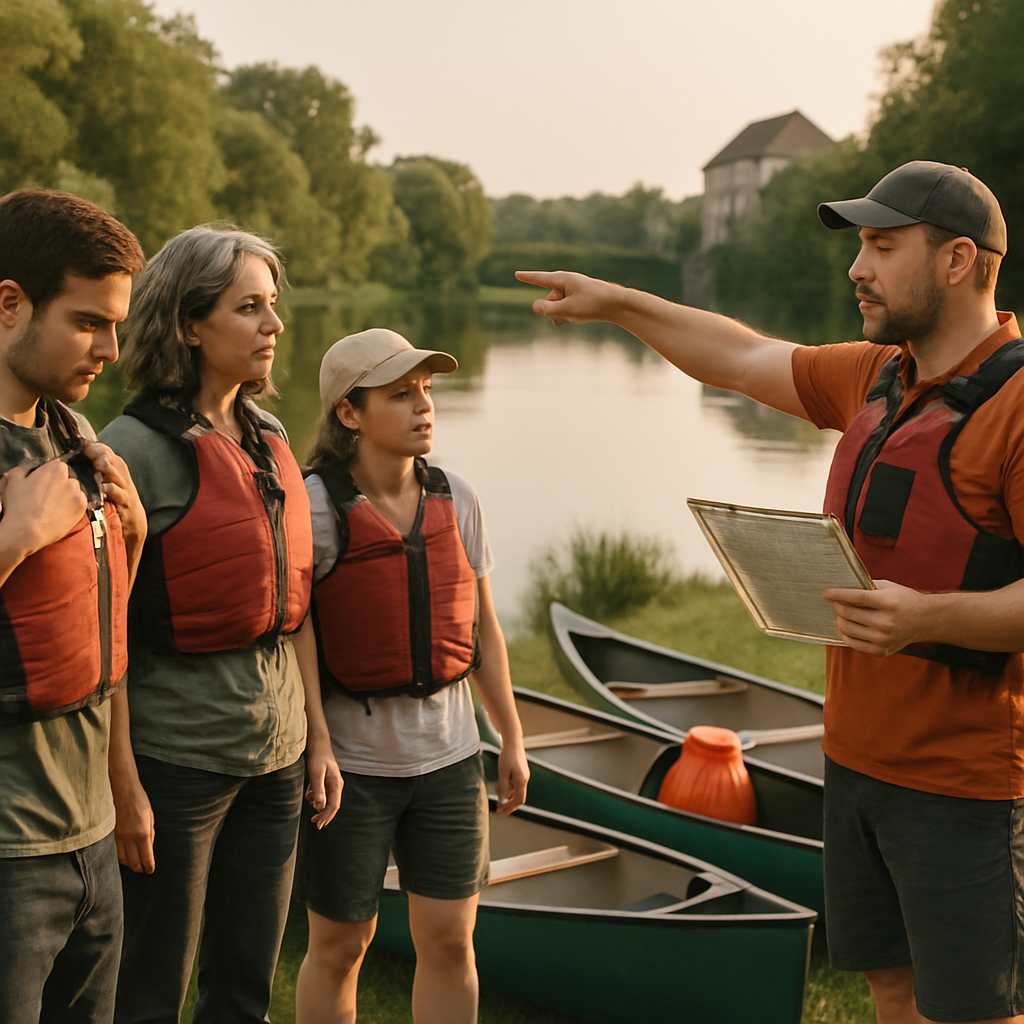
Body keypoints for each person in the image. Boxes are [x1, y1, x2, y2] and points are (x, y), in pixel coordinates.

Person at [518, 161, 1024, 1024]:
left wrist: (928, 618)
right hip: (854, 764)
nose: (857, 268)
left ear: (957, 260)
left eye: (882, 246)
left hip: (965, 784)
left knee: (975, 1012)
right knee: (891, 989)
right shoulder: (879, 375)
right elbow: (743, 358)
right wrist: (622, 304)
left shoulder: (1015, 406)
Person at [98, 225, 342, 1024]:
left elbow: (293, 605)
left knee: (244, 991)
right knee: (149, 993)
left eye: (272, 305)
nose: (275, 324)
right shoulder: (130, 452)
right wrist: (125, 787)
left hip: (277, 757)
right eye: (249, 308)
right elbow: (105, 636)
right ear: (190, 324)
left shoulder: (271, 439)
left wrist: (317, 742)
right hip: (176, 762)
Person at [293, 329, 529, 1024]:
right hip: (354, 767)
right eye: (400, 394)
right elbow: (296, 634)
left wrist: (511, 737)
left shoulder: (459, 498)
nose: (423, 405)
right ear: (349, 412)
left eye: (425, 390)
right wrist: (318, 744)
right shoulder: (311, 507)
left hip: (451, 759)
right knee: (341, 946)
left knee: (451, 942)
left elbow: (484, 631)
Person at [0, 188, 146, 1024]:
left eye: (115, 325)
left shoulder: (78, 440)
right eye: (89, 322)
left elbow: (97, 632)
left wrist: (134, 539)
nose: (112, 350)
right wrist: (16, 536)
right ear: (10, 305)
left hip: (90, 837)